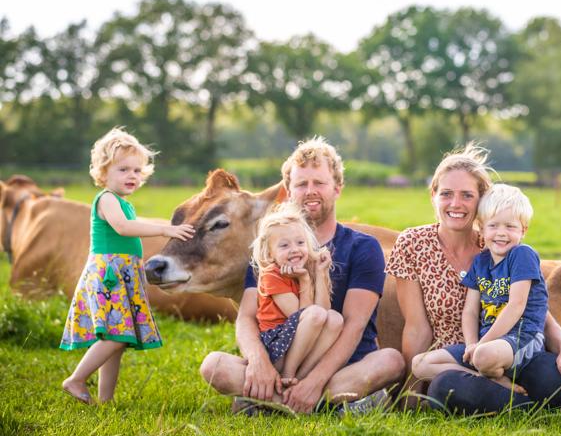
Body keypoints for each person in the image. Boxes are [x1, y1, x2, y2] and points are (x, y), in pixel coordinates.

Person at [387, 143, 561, 410]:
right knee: (444, 387)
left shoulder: (496, 242)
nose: (456, 203)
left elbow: (530, 306)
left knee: (553, 377)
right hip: (459, 362)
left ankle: (554, 399)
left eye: (467, 195)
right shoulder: (414, 243)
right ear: (433, 195)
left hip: (512, 347)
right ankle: (528, 405)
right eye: (446, 194)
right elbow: (416, 327)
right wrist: (410, 395)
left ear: (481, 200)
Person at [200, 137, 405, 414]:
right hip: (279, 362)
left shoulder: (362, 247)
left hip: (343, 367)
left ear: (337, 188)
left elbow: (355, 325)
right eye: (301, 184)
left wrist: (315, 381)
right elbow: (246, 316)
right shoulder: (267, 247)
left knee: (391, 361)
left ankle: (272, 400)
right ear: (288, 190)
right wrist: (258, 362)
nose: (310, 191)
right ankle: (331, 404)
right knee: (214, 365)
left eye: (319, 183)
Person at [60, 127, 195, 404]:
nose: (131, 176)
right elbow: (122, 228)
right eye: (123, 170)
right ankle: (75, 379)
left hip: (123, 273)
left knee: (117, 342)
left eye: (136, 170)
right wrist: (164, 231)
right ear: (103, 173)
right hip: (109, 274)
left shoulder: (124, 202)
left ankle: (105, 401)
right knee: (117, 335)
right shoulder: (107, 199)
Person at [412, 184, 547, 390]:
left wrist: (482, 346)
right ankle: (495, 382)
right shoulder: (480, 262)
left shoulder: (522, 255)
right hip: (486, 344)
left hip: (522, 337)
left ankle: (486, 372)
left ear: (523, 230)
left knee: (483, 356)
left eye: (510, 227)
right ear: (482, 229)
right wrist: (471, 344)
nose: (501, 233)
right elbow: (470, 311)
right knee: (420, 364)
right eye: (493, 226)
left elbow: (516, 305)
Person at [249, 203, 342, 401]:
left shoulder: (307, 268)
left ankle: (299, 377)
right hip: (276, 344)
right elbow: (302, 315)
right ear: (269, 253)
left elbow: (323, 311)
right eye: (284, 245)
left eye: (300, 243)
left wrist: (320, 272)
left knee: (335, 319)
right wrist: (305, 281)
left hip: (299, 344)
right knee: (316, 315)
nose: (294, 250)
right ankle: (287, 374)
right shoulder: (271, 275)